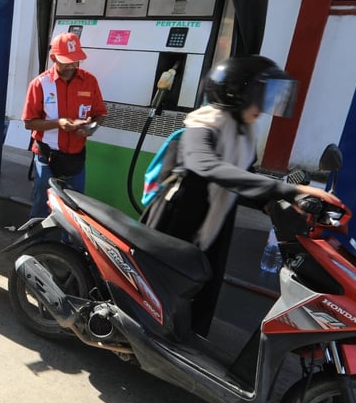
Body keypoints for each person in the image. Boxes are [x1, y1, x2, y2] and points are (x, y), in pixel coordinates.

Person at [141, 55, 335, 333]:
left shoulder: (245, 132)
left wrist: (272, 202)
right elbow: (208, 166)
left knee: (204, 286)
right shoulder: (203, 124)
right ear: (238, 94)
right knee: (164, 285)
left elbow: (244, 174)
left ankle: (184, 341)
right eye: (262, 96)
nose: (266, 107)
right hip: (179, 219)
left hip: (216, 220)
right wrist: (285, 190)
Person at [23, 31, 107, 217]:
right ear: (53, 57)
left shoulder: (89, 81)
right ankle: (38, 245)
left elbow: (100, 113)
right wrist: (58, 123)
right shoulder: (40, 84)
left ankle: (68, 245)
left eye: (75, 60)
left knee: (76, 210)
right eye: (66, 60)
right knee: (41, 206)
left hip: (76, 159)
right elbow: (29, 123)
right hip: (47, 158)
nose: (71, 65)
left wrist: (91, 127)